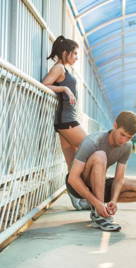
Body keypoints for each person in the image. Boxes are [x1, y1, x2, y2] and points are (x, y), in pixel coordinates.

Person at [66, 111, 136, 232]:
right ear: (115, 125)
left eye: (129, 137)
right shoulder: (93, 141)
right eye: (122, 134)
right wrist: (97, 202)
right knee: (100, 155)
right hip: (78, 185)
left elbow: (119, 178)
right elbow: (72, 178)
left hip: (99, 182)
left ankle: (100, 207)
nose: (124, 140)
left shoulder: (127, 146)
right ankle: (99, 213)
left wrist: (114, 200)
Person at [42, 35, 86, 172]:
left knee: (72, 163)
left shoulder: (64, 69)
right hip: (67, 121)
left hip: (66, 120)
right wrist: (64, 88)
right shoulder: (59, 68)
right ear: (65, 53)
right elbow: (44, 85)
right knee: (91, 148)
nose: (77, 58)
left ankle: (76, 192)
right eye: (75, 54)